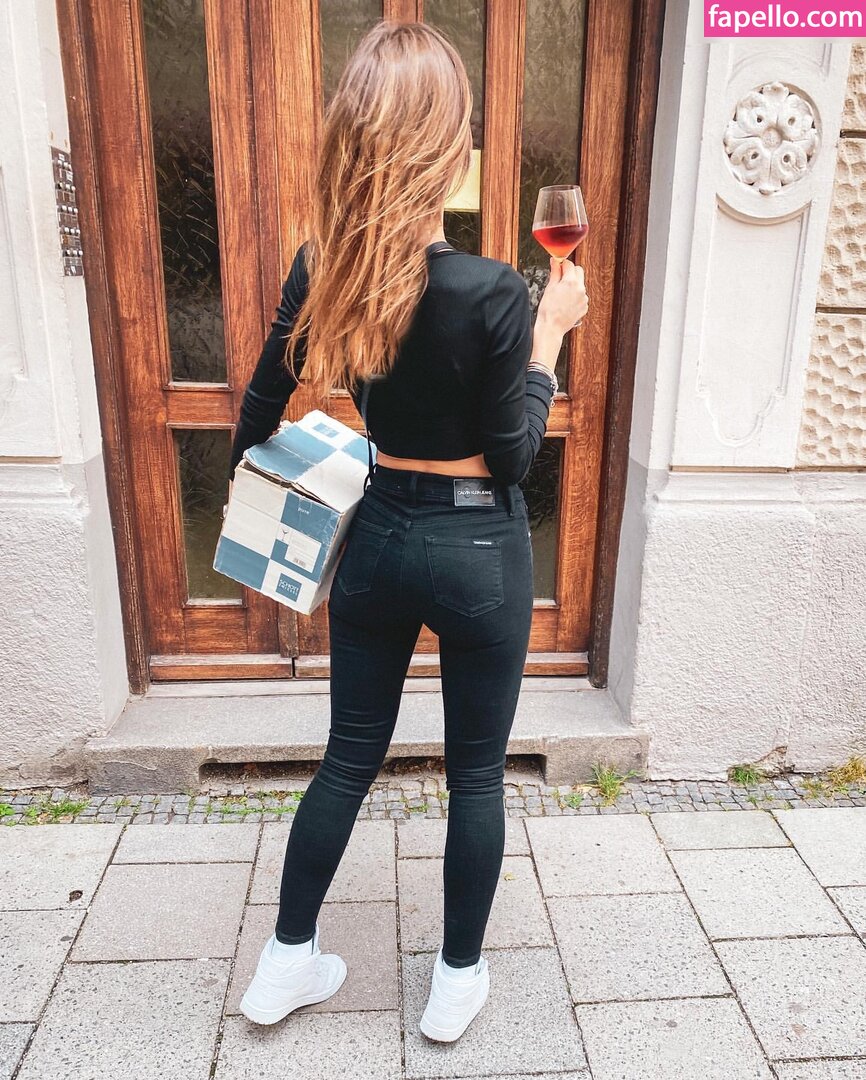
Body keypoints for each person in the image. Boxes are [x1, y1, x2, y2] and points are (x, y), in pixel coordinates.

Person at [228, 19, 588, 1042]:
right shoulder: (492, 289)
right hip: (478, 551)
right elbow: (513, 458)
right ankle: (453, 983)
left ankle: (285, 963)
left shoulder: (324, 268)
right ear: (446, 147)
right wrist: (550, 337)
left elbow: (254, 422)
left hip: (378, 537)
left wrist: (303, 476)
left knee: (347, 758)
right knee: (474, 773)